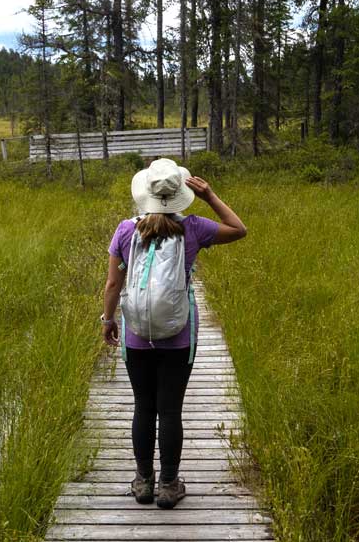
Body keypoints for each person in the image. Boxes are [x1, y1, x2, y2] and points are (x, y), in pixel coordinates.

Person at [100, 157, 247, 509]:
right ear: (179, 193)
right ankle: (168, 485)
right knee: (170, 411)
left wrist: (108, 320)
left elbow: (111, 283)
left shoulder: (125, 230)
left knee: (143, 408)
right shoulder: (193, 228)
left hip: (137, 335)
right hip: (179, 336)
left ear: (145, 194)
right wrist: (210, 194)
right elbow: (239, 229)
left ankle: (143, 482)